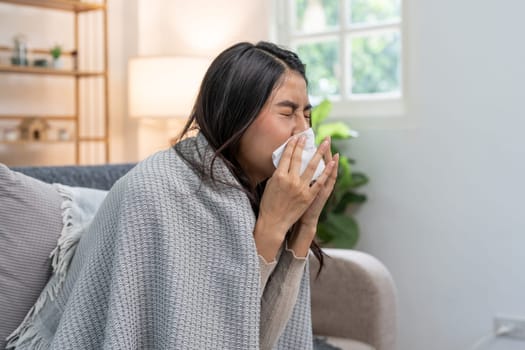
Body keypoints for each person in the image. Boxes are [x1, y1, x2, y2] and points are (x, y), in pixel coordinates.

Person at [7, 41, 338, 350]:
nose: (303, 130)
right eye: (287, 112)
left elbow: (256, 338)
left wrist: (304, 223)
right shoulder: (159, 190)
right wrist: (271, 225)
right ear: (238, 114)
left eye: (306, 114)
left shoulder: (255, 193)